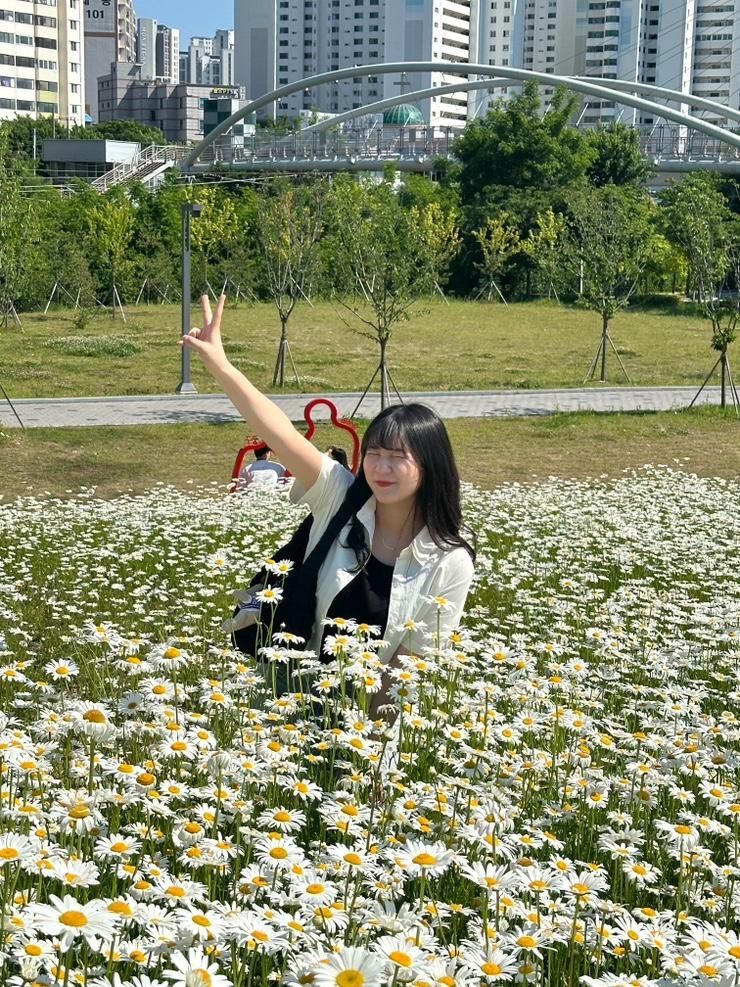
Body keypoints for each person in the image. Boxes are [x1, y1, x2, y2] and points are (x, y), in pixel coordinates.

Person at [183, 296, 475, 714]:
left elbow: (410, 663)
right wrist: (220, 365)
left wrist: (368, 748)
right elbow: (280, 432)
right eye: (374, 453)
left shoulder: (449, 561)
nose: (382, 467)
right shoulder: (340, 497)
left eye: (398, 457)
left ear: (430, 467)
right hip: (288, 697)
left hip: (365, 720)